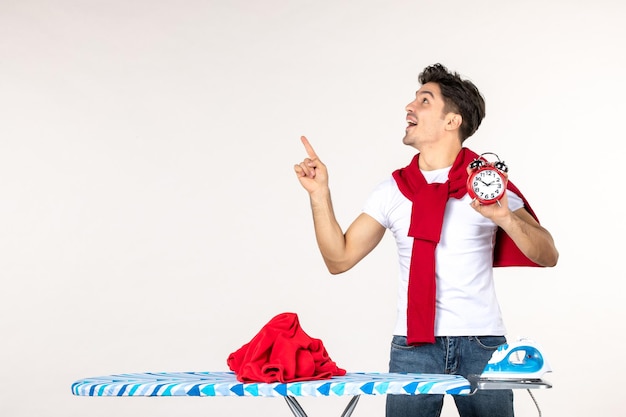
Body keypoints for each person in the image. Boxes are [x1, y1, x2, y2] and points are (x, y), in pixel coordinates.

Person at [293, 63, 559, 417]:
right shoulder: (392, 191)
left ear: (452, 121)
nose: (409, 107)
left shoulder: (486, 183)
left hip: (483, 345)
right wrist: (319, 194)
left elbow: (547, 254)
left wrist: (505, 218)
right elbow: (338, 259)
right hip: (413, 347)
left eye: (424, 100)